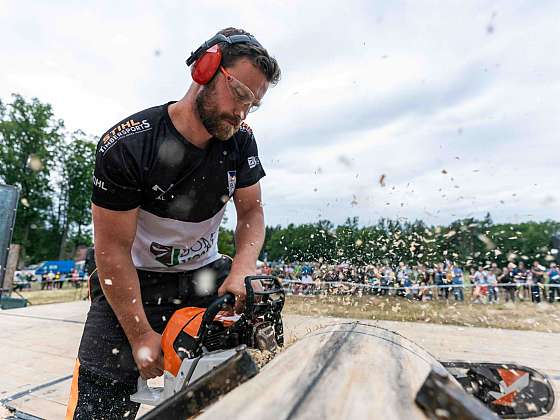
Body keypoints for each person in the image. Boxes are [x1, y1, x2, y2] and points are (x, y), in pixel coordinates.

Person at [66, 27, 280, 420]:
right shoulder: (129, 145)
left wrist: (242, 268)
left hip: (202, 274)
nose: (242, 113)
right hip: (133, 281)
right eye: (240, 95)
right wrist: (139, 334)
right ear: (206, 69)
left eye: (254, 104)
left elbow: (251, 212)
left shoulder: (241, 141)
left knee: (246, 368)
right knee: (100, 399)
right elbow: (111, 251)